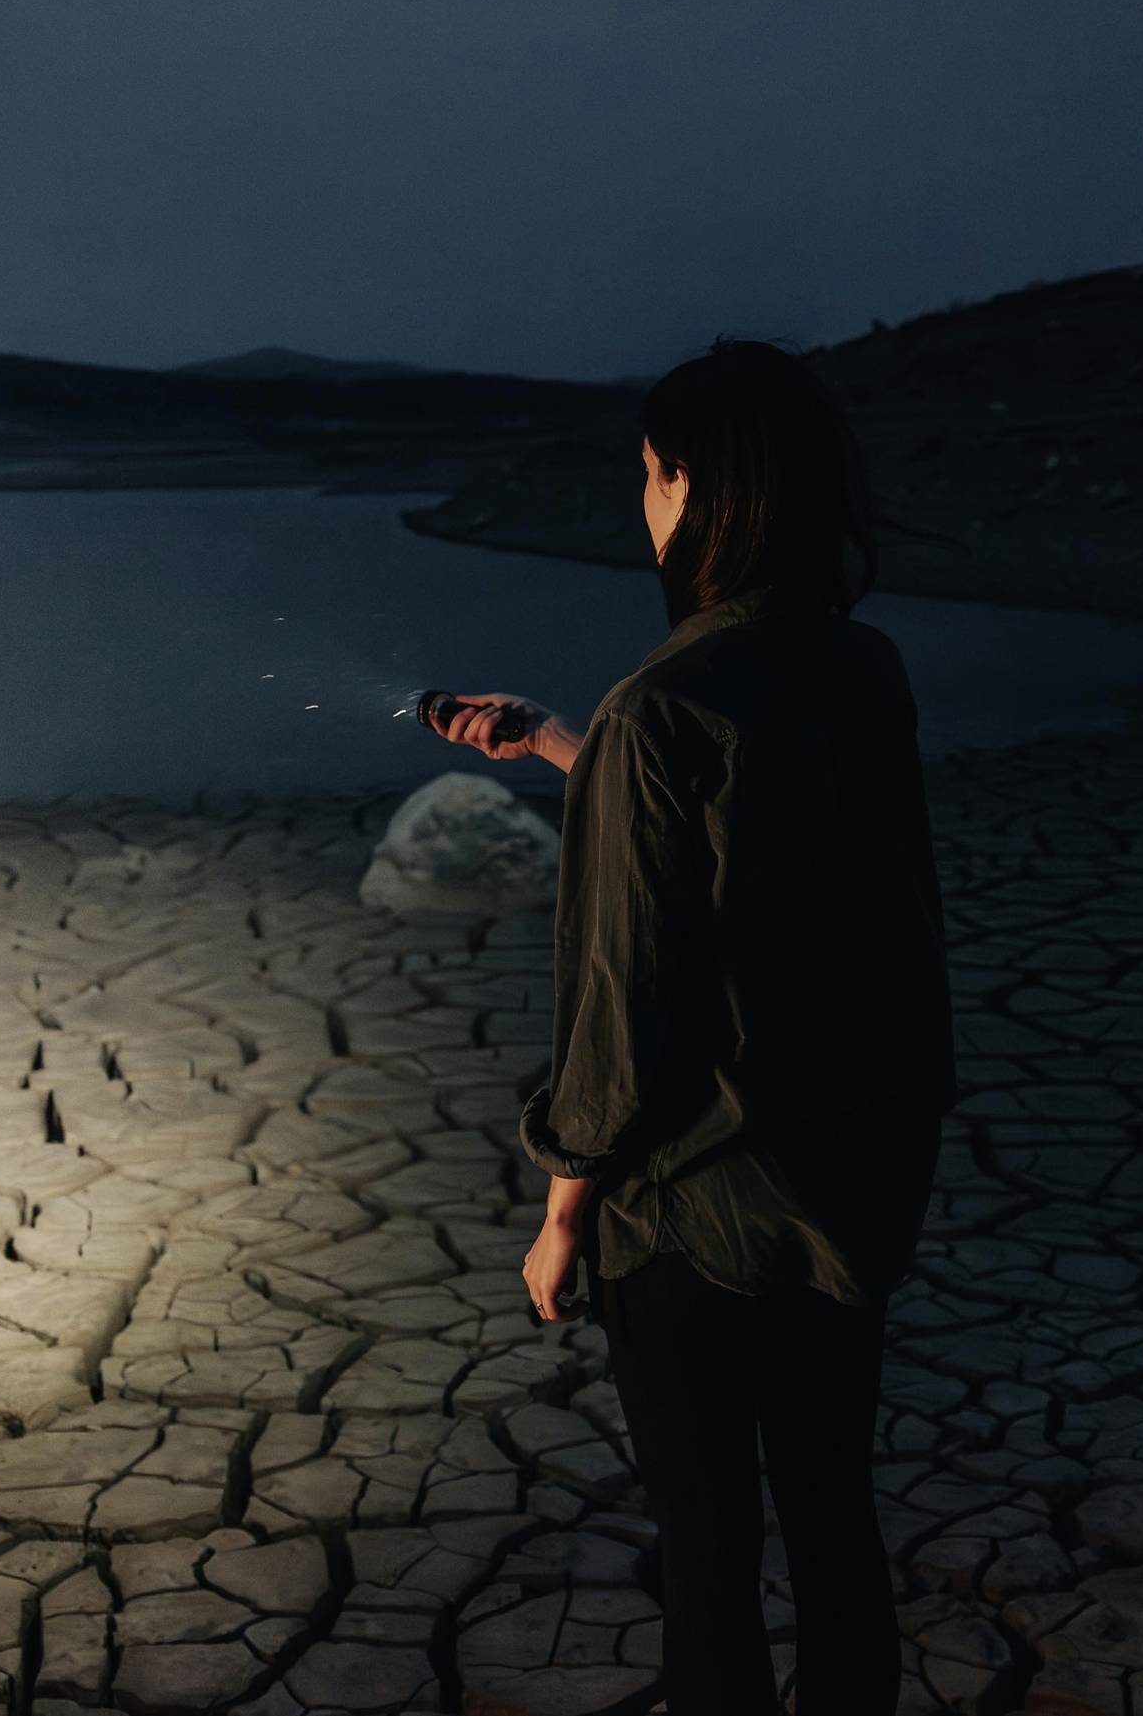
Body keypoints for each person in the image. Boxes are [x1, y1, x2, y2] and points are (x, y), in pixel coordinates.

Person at [429, 336, 956, 1716]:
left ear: (707, 490)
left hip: (701, 1212)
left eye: (655, 476)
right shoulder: (865, 668)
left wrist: (562, 1210)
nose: (644, 505)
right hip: (851, 1185)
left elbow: (620, 1010)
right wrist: (561, 742)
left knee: (710, 1565)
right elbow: (777, 852)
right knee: (835, 1529)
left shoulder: (658, 709)